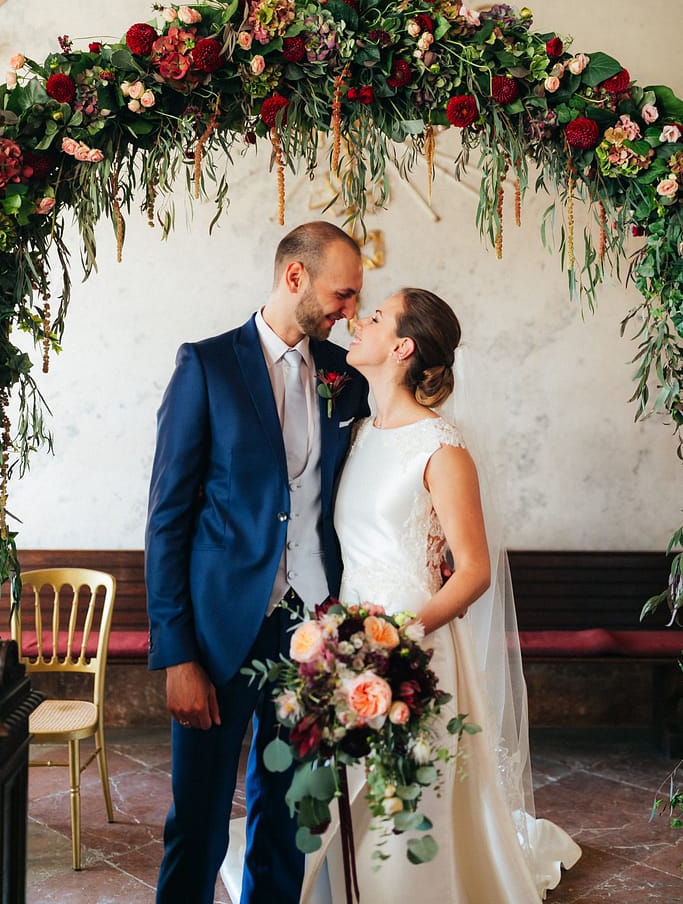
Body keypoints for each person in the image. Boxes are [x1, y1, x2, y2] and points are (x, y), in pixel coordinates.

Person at [298, 287, 582, 903]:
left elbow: (474, 571)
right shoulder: (361, 433)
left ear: (402, 346)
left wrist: (395, 637)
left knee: (403, 808)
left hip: (413, 650)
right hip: (349, 644)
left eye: (373, 317)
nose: (356, 320)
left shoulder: (441, 447)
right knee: (341, 808)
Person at [145, 220, 370, 904]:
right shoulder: (206, 365)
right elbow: (167, 520)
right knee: (200, 822)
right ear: (294, 277)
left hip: (313, 632)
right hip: (219, 636)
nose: (349, 311)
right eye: (342, 294)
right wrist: (176, 655)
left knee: (289, 818)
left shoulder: (343, 377)